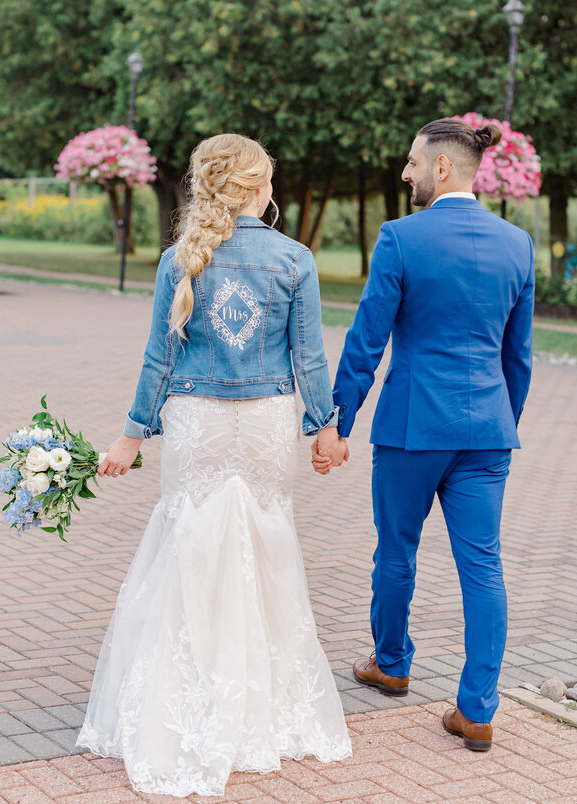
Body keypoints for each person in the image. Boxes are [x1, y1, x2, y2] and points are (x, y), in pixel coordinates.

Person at [82, 133, 352, 796]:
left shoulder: (181, 258)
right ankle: (265, 703)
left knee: (193, 545)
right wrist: (326, 428)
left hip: (196, 422)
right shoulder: (295, 259)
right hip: (265, 422)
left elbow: (159, 358)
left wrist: (130, 437)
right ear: (260, 189)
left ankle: (186, 694)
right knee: (266, 545)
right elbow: (309, 358)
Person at [313, 118, 535, 752]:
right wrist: (501, 421)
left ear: (442, 168)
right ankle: (477, 709)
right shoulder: (516, 244)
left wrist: (340, 419)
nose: (404, 172)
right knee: (484, 568)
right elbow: (518, 358)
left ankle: (392, 663)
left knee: (396, 551)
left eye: (412, 162)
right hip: (488, 433)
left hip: (413, 429)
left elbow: (367, 339)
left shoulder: (401, 239)